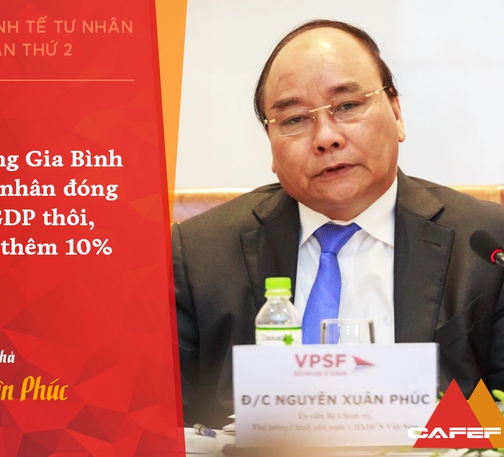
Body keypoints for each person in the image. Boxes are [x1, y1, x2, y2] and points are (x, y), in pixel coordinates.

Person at [173, 19, 504, 428]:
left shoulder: (487, 247)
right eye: (295, 119)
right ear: (270, 146)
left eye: (347, 106)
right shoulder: (199, 256)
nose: (326, 137)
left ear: (396, 113)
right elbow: (164, 429)